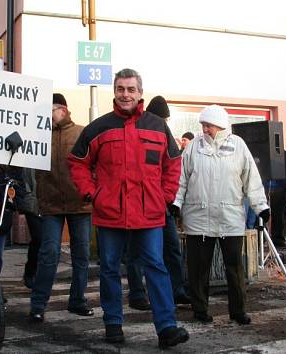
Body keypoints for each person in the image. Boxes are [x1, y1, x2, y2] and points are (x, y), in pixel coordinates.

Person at [68, 68, 189, 348]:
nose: (125, 94)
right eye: (121, 89)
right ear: (114, 91)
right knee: (110, 268)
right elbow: (77, 162)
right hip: (111, 211)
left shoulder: (158, 126)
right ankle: (113, 324)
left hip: (149, 211)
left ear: (140, 93)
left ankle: (167, 328)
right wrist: (92, 193)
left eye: (131, 89)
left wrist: (166, 195)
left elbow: (173, 163)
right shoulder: (98, 128)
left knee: (156, 267)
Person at [172, 105, 270, 325]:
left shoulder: (238, 146)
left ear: (221, 126)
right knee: (198, 269)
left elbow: (251, 179)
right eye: (203, 125)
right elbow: (182, 179)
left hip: (230, 217)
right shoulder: (193, 147)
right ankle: (200, 310)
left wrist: (260, 206)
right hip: (198, 217)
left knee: (235, 268)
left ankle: (238, 311)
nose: (204, 129)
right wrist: (176, 203)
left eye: (208, 125)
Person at [30, 93, 94, 322]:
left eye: (51, 111)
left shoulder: (80, 133)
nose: (48, 116)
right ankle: (38, 305)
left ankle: (77, 300)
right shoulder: (41, 136)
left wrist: (91, 191)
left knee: (82, 255)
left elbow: (93, 165)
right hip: (51, 205)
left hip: (80, 204)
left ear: (63, 110)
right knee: (48, 254)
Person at [145, 95, 191, 306]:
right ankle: (144, 291)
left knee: (170, 248)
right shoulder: (145, 130)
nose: (164, 122)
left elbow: (173, 169)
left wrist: (169, 199)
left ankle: (176, 288)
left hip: (161, 203)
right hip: (145, 202)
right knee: (146, 251)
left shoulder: (165, 134)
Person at [18, 167, 42, 289]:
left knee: (46, 242)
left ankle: (38, 275)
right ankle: (31, 273)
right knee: (38, 238)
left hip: (49, 201)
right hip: (31, 200)